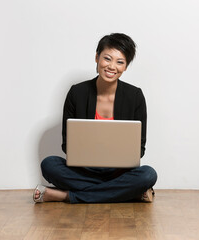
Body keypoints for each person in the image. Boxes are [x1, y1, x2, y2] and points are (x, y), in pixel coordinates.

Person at [33, 33, 157, 203]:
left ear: (126, 66)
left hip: (118, 172)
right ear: (97, 57)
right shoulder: (77, 93)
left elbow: (139, 148)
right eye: (107, 58)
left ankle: (66, 195)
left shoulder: (135, 96)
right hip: (83, 171)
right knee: (49, 164)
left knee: (148, 174)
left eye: (120, 62)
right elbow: (67, 144)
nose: (112, 66)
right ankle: (126, 192)